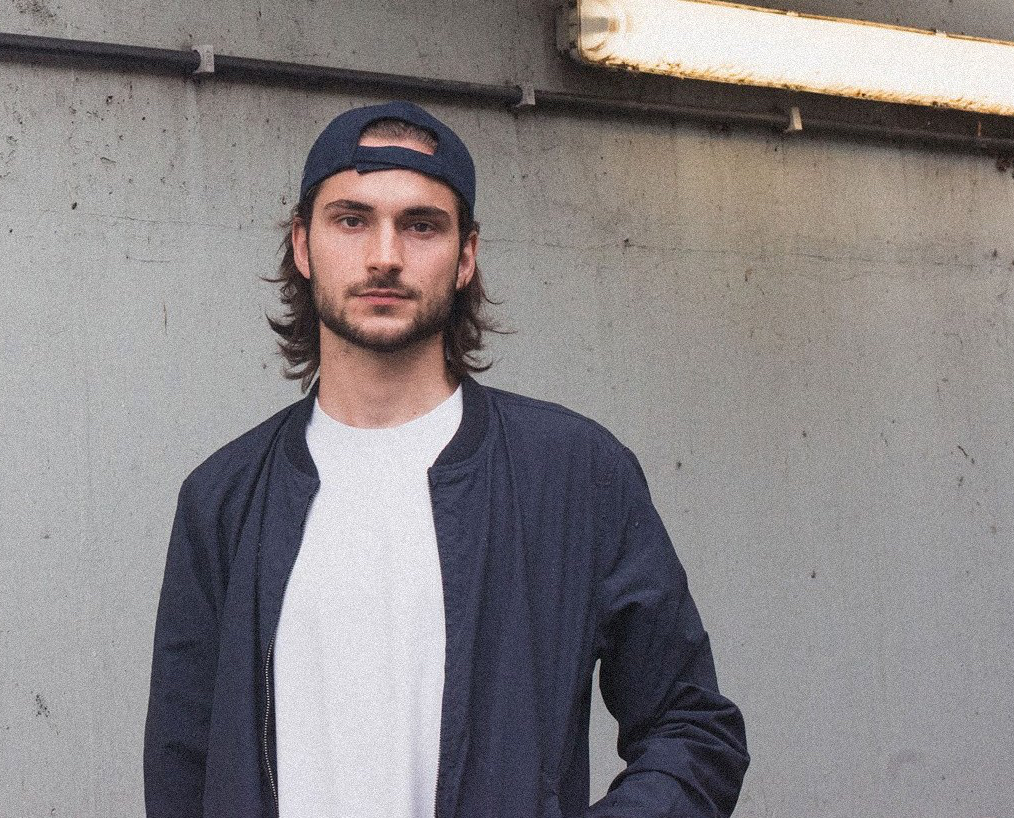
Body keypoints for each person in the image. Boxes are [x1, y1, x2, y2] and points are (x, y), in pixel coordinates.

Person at [143, 100, 749, 818]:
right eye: (351, 220)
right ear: (303, 246)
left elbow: (692, 729)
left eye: (421, 225)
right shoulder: (224, 498)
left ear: (465, 256)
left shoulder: (573, 475)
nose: (385, 256)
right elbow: (181, 768)